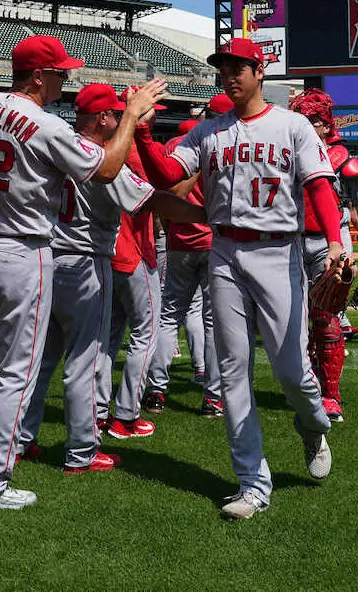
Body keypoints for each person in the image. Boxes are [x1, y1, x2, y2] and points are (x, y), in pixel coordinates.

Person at [0, 35, 168, 515]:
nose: (65, 79)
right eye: (59, 72)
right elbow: (108, 167)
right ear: (37, 75)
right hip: (24, 250)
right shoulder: (44, 122)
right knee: (17, 373)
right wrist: (134, 116)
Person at [134, 38, 343, 520]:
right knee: (232, 373)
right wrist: (143, 133)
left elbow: (318, 185)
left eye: (239, 67)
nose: (229, 75)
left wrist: (334, 240)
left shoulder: (291, 125)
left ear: (260, 71)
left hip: (277, 252)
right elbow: (168, 175)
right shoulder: (209, 131)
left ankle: (312, 426)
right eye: (223, 68)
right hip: (224, 251)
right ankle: (252, 483)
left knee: (292, 371)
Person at [17, 83, 204, 473]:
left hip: (47, 260)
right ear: (102, 117)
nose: (120, 119)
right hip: (86, 263)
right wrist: (208, 216)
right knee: (84, 363)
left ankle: (20, 441)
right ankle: (82, 451)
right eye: (116, 114)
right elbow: (154, 200)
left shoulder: (56, 144)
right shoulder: (102, 158)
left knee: (42, 360)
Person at [289, 88, 358, 421]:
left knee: (326, 320)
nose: (306, 125)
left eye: (313, 121)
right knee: (292, 325)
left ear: (325, 124)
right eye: (301, 119)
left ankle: (330, 393)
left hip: (325, 245)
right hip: (286, 243)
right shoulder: (284, 151)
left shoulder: (343, 160)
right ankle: (305, 387)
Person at [143, 113, 226, 419]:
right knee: (212, 319)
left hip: (179, 240)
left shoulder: (174, 148)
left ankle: (156, 391)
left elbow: (165, 198)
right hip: (214, 239)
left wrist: (170, 227)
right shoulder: (220, 140)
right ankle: (212, 397)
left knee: (169, 317)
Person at [96, 88, 168, 439]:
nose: (154, 114)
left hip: (107, 251)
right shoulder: (138, 150)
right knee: (145, 334)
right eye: (151, 110)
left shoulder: (104, 147)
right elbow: (169, 191)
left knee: (109, 337)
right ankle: (125, 414)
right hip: (136, 252)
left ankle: (96, 411)